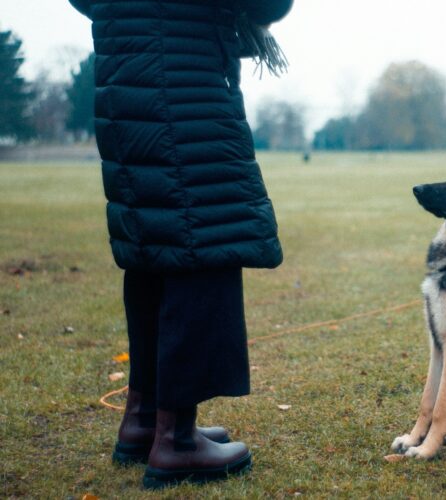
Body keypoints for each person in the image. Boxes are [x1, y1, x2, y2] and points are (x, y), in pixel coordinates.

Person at [68, 0, 293, 489]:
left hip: (126, 80)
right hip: (182, 84)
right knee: (203, 243)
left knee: (158, 246)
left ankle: (145, 420)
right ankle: (178, 441)